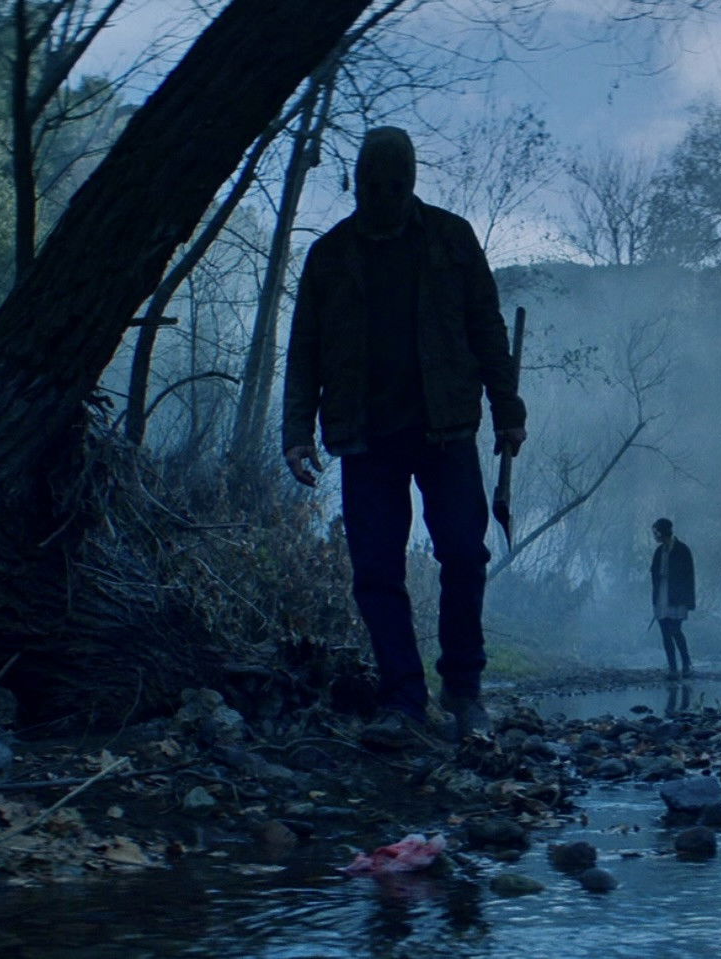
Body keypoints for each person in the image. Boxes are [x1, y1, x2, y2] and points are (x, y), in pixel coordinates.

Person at [281, 126, 526, 749]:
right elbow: (305, 347)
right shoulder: (330, 255)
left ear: (411, 184)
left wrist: (508, 409)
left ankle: (463, 693)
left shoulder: (451, 239)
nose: (384, 197)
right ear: (357, 184)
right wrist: (296, 432)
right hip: (365, 439)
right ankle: (403, 701)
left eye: (395, 186)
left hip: (447, 430)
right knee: (376, 572)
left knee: (464, 557)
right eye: (374, 186)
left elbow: (487, 329)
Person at [648, 517, 695, 679]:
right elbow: (654, 576)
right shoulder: (659, 551)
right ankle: (673, 668)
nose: (655, 536)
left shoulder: (682, 550)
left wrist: (688, 601)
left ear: (662, 532)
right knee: (665, 633)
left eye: (656, 532)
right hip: (662, 596)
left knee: (675, 630)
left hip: (677, 598)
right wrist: (655, 599)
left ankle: (686, 664)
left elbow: (689, 578)